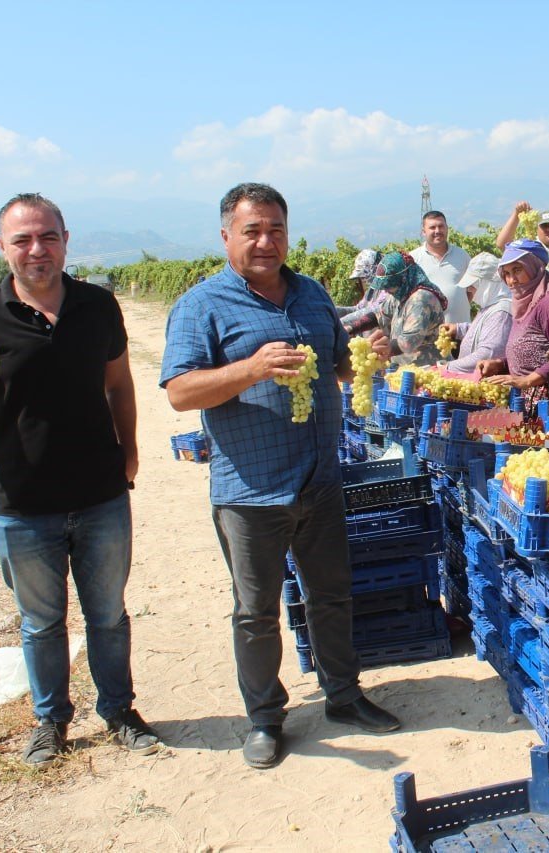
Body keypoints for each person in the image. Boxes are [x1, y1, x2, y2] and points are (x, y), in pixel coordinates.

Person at [0, 193, 159, 767]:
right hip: (22, 502)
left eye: (47, 237)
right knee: (42, 623)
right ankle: (51, 722)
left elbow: (119, 382)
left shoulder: (97, 305)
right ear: (3, 248)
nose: (36, 249)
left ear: (66, 241)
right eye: (22, 240)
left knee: (108, 616)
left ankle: (119, 712)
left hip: (101, 494)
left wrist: (130, 452)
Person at [160, 182, 400, 770]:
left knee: (331, 595)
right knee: (256, 612)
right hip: (250, 489)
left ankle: (343, 695)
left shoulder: (313, 295)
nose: (266, 242)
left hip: (320, 478)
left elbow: (338, 367)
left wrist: (369, 357)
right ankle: (265, 718)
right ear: (226, 237)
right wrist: (250, 368)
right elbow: (180, 391)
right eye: (252, 231)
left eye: (276, 230)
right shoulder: (201, 305)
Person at [477, 239, 549, 406]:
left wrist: (528, 380)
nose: (511, 280)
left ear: (534, 267)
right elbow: (533, 353)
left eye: (517, 270)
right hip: (528, 401)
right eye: (506, 273)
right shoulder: (525, 304)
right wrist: (500, 364)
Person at [345, 251, 448, 367]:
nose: (385, 290)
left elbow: (410, 340)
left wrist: (384, 348)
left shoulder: (421, 299)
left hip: (427, 367)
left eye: (388, 285)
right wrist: (351, 328)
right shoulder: (400, 294)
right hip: (405, 367)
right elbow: (379, 315)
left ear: (403, 279)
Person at [438, 252, 512, 373]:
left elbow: (488, 354)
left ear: (486, 284)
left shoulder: (501, 313)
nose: (469, 289)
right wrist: (459, 329)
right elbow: (485, 331)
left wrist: (448, 367)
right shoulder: (490, 305)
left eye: (472, 285)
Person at [409, 210, 472, 324]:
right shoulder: (413, 259)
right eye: (432, 227)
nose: (437, 231)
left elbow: (472, 289)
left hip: (460, 328)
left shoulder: (462, 255)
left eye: (441, 226)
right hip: (427, 331)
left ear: (447, 228)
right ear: (423, 232)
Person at [335, 248, 388, 328]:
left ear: (375, 269)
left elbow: (375, 311)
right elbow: (358, 309)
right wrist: (334, 311)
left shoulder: (389, 289)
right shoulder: (372, 289)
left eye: (364, 276)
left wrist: (342, 322)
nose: (363, 280)